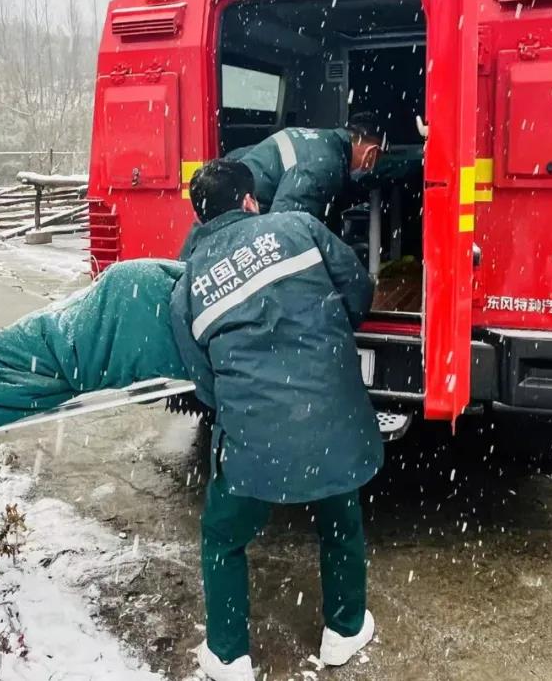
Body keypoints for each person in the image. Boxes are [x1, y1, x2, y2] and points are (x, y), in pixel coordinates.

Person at [170, 160, 383, 681]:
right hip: (332, 417)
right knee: (340, 517)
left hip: (255, 439)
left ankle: (228, 656)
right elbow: (359, 289)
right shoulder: (299, 227)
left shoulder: (186, 286)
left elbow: (205, 385)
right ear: (248, 201)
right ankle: (344, 629)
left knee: (224, 536)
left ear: (200, 217)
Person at [228, 112, 382, 218]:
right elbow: (286, 227)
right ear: (372, 153)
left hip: (229, 196)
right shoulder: (325, 165)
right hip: (241, 212)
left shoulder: (319, 139)